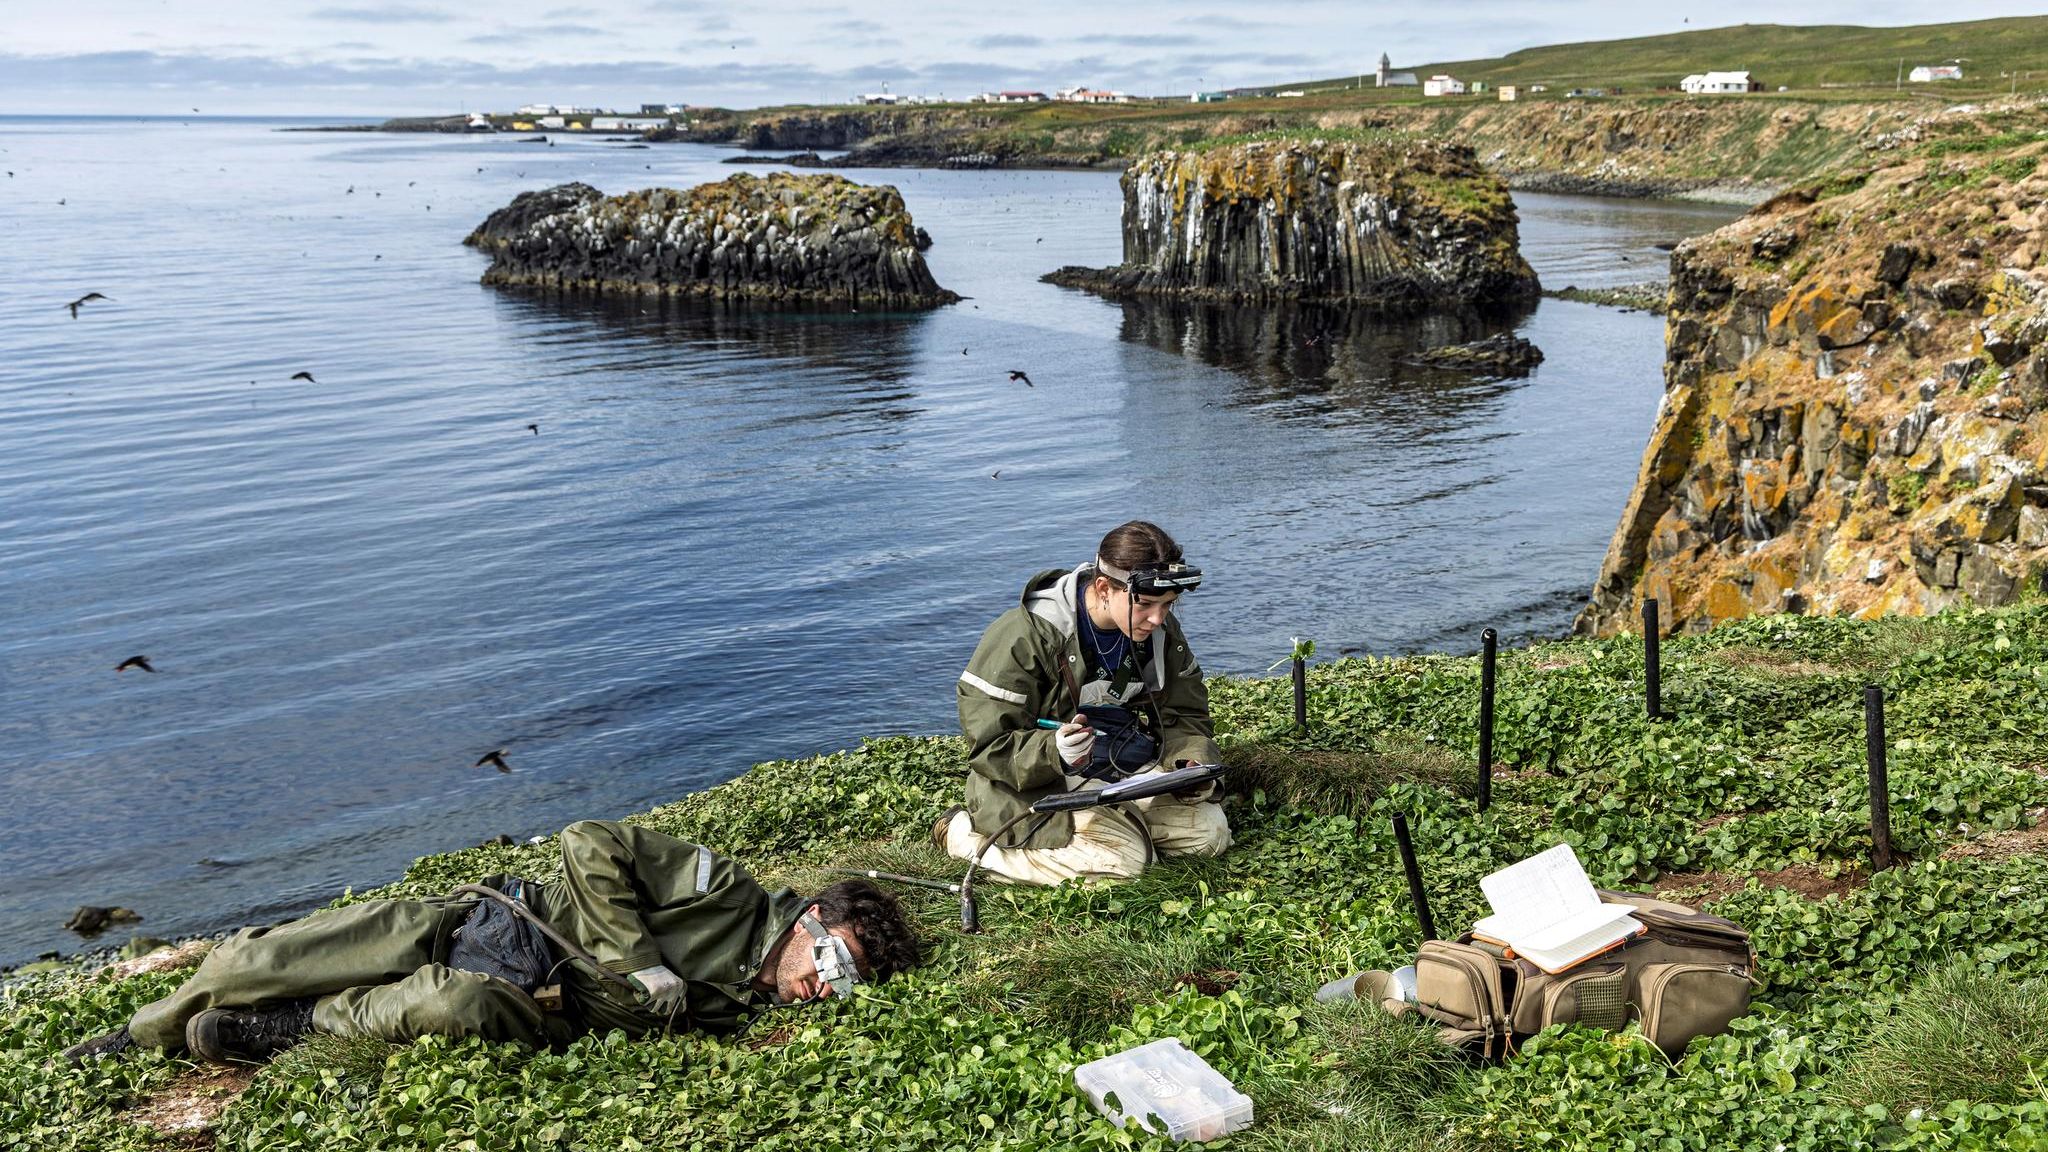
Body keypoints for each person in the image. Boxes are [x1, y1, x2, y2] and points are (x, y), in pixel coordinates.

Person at [64, 819, 921, 1065]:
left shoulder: (749, 1013)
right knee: (249, 958)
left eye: (846, 987)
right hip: (495, 919)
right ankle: (136, 1036)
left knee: (448, 1004)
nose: (826, 989)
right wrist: (642, 960)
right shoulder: (727, 893)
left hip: (534, 1001)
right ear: (810, 921)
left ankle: (286, 1031)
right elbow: (591, 842)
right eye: (834, 963)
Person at [939, 520, 1231, 885]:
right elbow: (988, 746)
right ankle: (960, 834)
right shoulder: (1024, 636)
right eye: (1146, 605)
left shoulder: (1157, 630)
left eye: (1169, 605)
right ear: (1104, 588)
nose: (1158, 619)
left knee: (1209, 835)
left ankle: (1122, 827)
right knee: (1122, 869)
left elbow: (1184, 712)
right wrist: (1053, 751)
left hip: (1124, 769)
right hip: (1041, 782)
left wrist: (1190, 763)